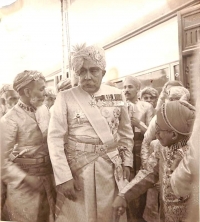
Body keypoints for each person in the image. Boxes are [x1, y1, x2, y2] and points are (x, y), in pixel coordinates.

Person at [48, 44, 134, 222]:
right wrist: (63, 177)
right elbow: (55, 139)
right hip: (79, 172)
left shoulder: (117, 95)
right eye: (82, 71)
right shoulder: (65, 97)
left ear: (103, 72)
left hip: (111, 168)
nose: (87, 76)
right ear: (76, 73)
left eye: (93, 70)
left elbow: (125, 133)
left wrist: (127, 162)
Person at [112, 100, 195, 222]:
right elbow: (148, 173)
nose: (156, 135)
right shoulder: (161, 148)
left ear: (173, 135)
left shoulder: (194, 154)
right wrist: (124, 195)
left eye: (159, 130)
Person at [1, 70, 56, 222]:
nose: (45, 93)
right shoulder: (9, 120)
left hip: (48, 182)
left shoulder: (44, 110)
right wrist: (26, 179)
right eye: (41, 89)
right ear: (27, 91)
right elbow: (1, 163)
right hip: (24, 189)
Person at [141, 84, 190, 222]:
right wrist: (150, 168)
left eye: (178, 98)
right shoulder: (158, 119)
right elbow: (146, 142)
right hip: (161, 169)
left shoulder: (191, 118)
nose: (174, 101)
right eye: (171, 98)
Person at [123, 76, 154, 222]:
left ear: (137, 89)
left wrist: (138, 124)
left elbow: (151, 133)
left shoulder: (146, 107)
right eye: (124, 87)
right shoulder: (119, 105)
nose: (126, 90)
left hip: (140, 147)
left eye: (130, 87)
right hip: (123, 148)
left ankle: (139, 216)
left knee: (139, 182)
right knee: (125, 181)